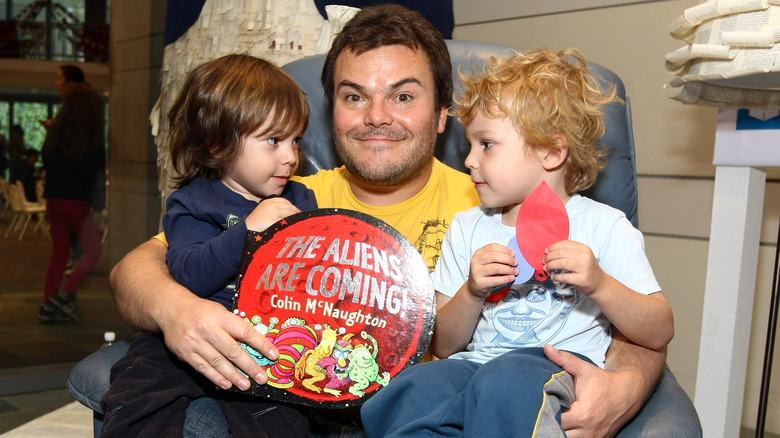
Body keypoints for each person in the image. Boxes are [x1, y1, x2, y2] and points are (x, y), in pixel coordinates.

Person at [108, 5, 667, 437]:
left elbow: (640, 324)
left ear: (443, 113)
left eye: (403, 95)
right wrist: (178, 311)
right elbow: (143, 266)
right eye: (355, 96)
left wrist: (625, 387)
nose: (377, 116)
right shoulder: (293, 200)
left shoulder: (484, 203)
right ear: (332, 112)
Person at [360, 48, 675, 437]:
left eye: (487, 144)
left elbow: (659, 330)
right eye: (470, 146)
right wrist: (472, 292)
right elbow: (444, 343)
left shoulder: (605, 226)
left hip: (556, 369)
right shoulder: (468, 227)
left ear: (551, 152)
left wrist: (601, 283)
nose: (470, 161)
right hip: (475, 366)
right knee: (414, 388)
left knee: (506, 379)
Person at [100, 54, 318, 437]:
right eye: (273, 140)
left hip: (269, 350)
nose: (290, 157)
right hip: (180, 350)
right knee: (137, 395)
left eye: (295, 140)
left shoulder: (301, 201)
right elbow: (189, 275)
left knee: (288, 422)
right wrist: (248, 232)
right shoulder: (193, 202)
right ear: (218, 145)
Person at [38, 65, 105, 322]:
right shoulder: (90, 137)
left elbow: (47, 160)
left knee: (60, 253)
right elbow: (96, 172)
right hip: (77, 202)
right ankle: (65, 294)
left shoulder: (56, 132)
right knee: (93, 250)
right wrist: (98, 206)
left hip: (53, 199)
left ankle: (48, 303)